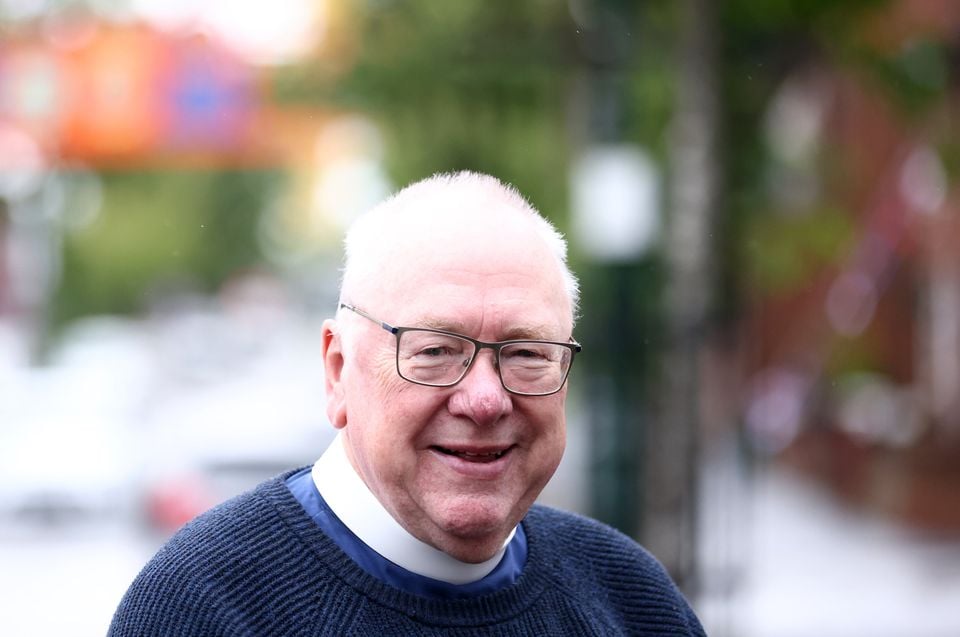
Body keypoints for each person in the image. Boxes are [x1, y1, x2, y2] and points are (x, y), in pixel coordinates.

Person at [109, 171, 705, 636]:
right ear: (338, 369)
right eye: (436, 350)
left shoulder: (632, 600)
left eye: (526, 353)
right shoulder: (202, 609)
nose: (485, 399)